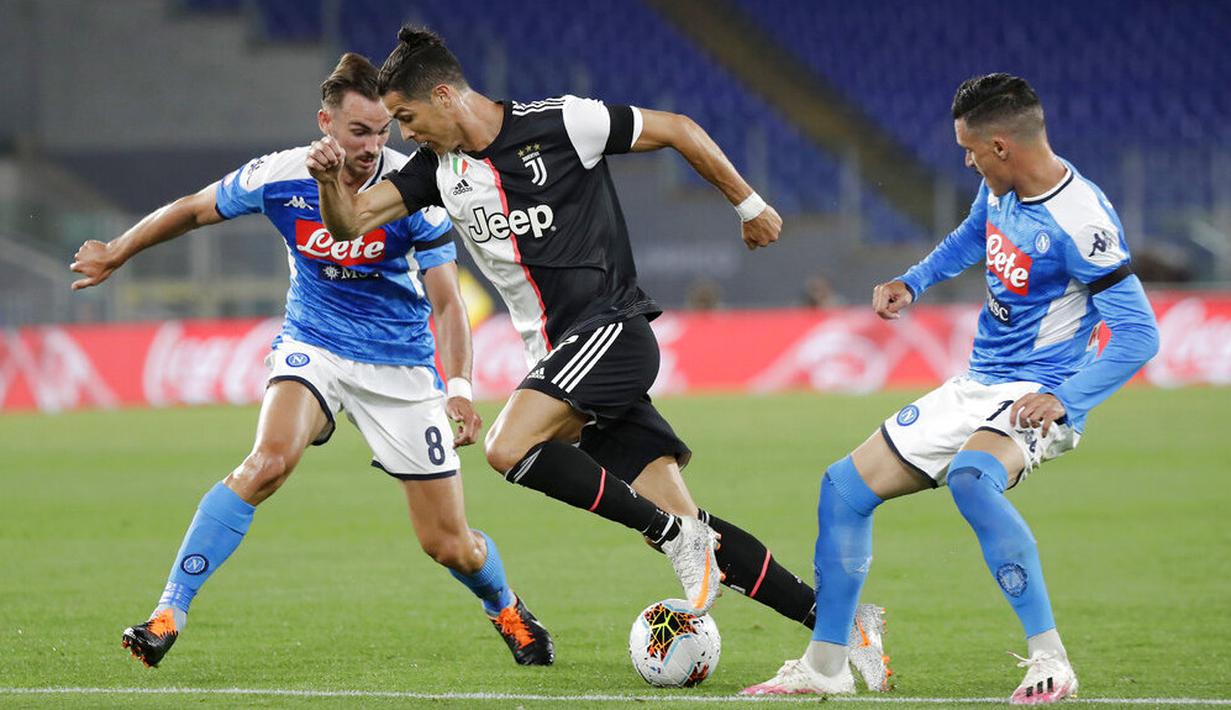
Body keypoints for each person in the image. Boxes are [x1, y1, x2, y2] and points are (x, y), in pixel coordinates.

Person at [306, 27, 890, 690]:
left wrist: (748, 204)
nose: (403, 134)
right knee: (688, 524)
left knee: (507, 449)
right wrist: (329, 183)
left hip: (611, 332)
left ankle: (675, 538)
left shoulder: (559, 122)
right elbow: (348, 223)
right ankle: (845, 624)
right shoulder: (436, 172)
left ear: (443, 96)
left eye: (406, 118)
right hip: (565, 363)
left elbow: (675, 127)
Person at [68, 53, 553, 668]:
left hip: (400, 368)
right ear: (326, 122)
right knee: (268, 462)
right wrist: (116, 251)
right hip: (314, 344)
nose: (374, 145)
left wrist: (458, 387)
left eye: (382, 131)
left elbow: (449, 304)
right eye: (359, 131)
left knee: (449, 544)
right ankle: (168, 612)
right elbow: (193, 209)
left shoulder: (413, 188)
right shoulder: (280, 175)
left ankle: (505, 606)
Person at [742, 73, 1160, 702]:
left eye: (969, 149)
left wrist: (1066, 400)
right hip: (978, 383)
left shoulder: (1081, 220)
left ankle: (1050, 661)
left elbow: (1139, 335)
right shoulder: (1001, 191)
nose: (964, 160)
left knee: (971, 477)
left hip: (1039, 392)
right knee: (843, 489)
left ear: (1000, 146)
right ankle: (825, 665)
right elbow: (973, 236)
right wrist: (914, 281)